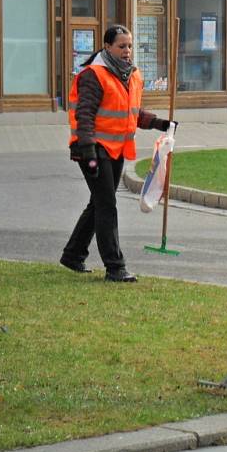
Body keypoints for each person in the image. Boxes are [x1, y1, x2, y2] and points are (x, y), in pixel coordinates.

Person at [61, 24, 174, 282]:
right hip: (92, 148)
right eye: (122, 46)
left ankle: (73, 254)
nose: (127, 51)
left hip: (116, 148)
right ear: (107, 47)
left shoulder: (132, 75)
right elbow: (85, 115)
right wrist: (88, 152)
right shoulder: (94, 75)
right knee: (107, 205)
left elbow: (131, 113)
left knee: (99, 203)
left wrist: (158, 123)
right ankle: (115, 267)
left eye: (130, 46)